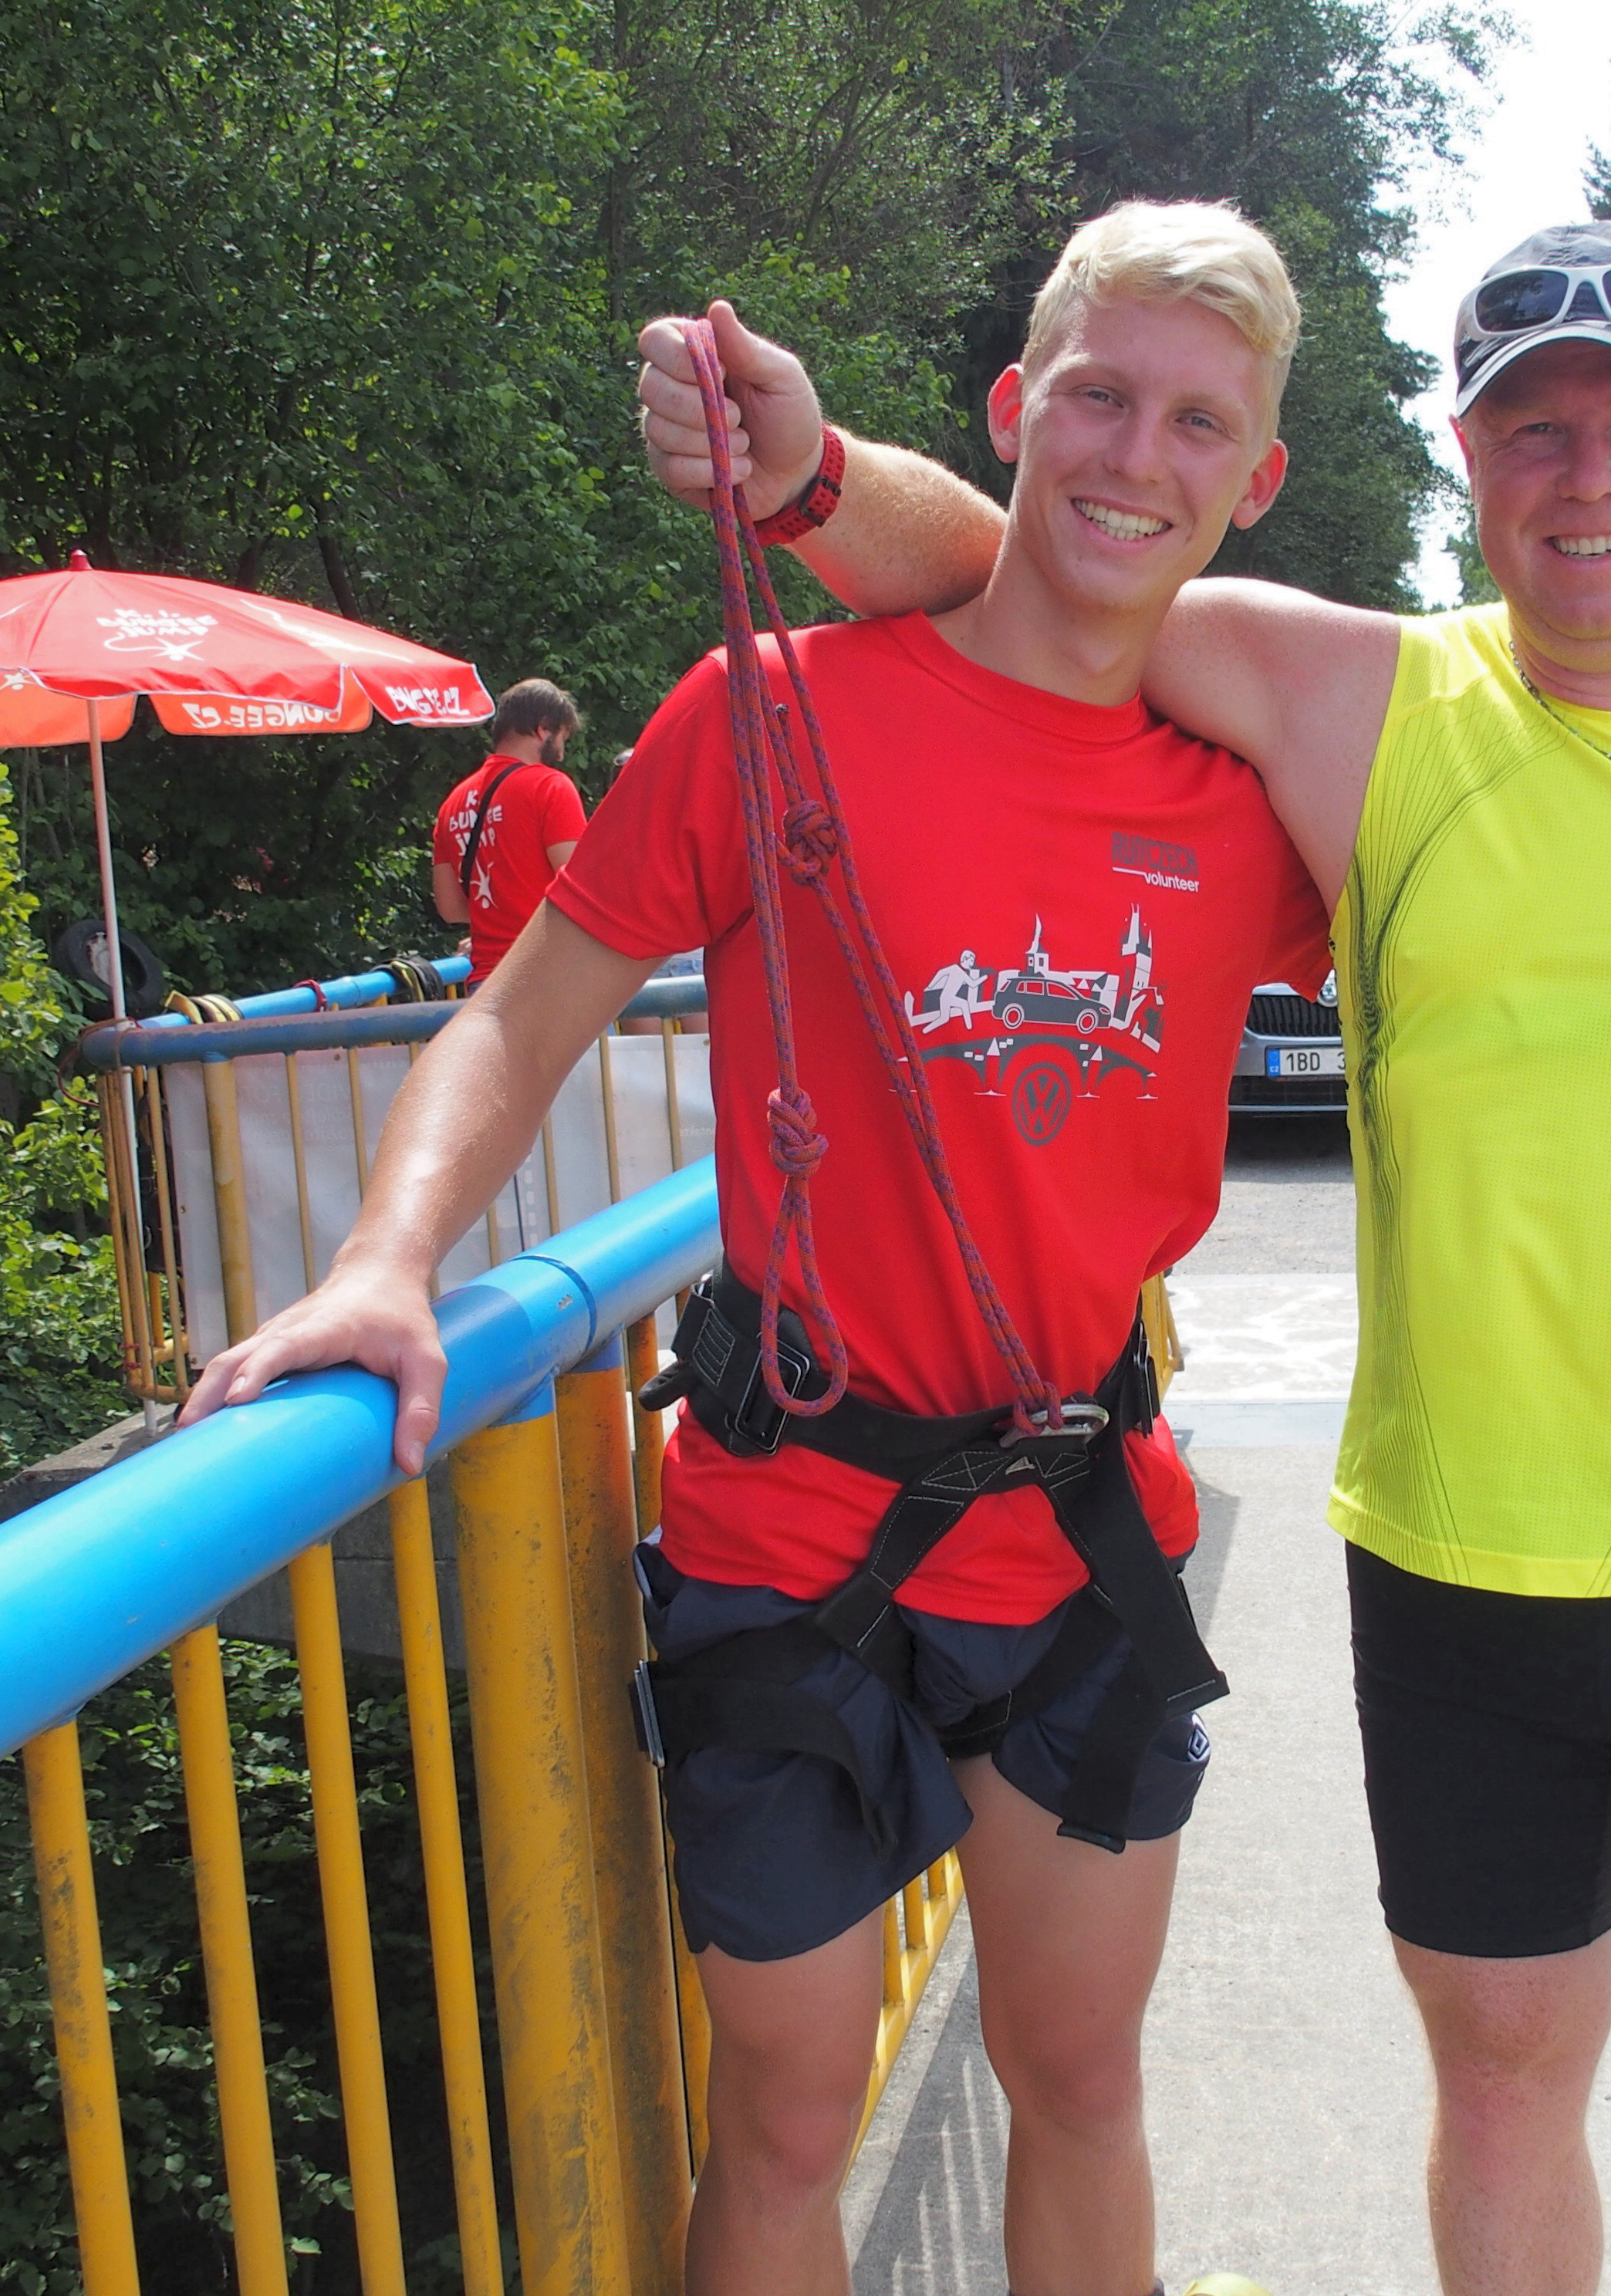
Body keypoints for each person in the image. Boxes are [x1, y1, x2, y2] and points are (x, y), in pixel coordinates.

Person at [635, 217, 1611, 2296]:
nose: (1587, 477)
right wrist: (813, 475)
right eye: (1533, 432)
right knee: (1504, 2101)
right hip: (1459, 1584)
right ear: (1468, 457)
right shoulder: (1359, 703)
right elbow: (1043, 566)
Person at [187, 201, 1338, 2296]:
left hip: (1075, 1534)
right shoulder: (771, 715)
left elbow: (1550, 844)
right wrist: (385, 1261)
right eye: (1097, 397)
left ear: (1253, 480)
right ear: (1013, 409)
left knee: (1079, 2077)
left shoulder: (1250, 803)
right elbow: (525, 1011)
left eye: (1195, 423)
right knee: (790, 2117)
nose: (1135, 456)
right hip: (787, 1527)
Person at [431, 677, 588, 977]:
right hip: (551, 975)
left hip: (489, 982)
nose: (561, 753)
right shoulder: (549, 787)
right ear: (543, 728)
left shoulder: (453, 804)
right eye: (562, 739)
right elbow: (580, 887)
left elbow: (451, 909)